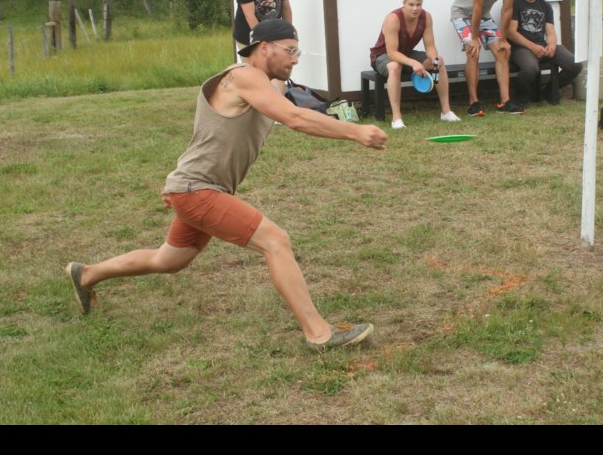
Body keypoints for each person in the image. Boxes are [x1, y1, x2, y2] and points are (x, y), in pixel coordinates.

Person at [65, 19, 388, 351]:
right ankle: (319, 333)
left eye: (298, 52)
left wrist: (176, 182)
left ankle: (86, 274)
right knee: (275, 241)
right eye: (290, 51)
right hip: (199, 189)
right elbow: (294, 118)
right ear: (265, 48)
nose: (295, 59)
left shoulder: (268, 84)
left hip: (196, 187)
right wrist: (355, 131)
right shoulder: (243, 77)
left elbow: (215, 135)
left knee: (169, 260)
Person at [370, 0, 462, 129]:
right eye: (411, 4)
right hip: (382, 56)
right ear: (404, 3)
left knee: (439, 63)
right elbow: (392, 53)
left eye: (418, 4)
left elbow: (430, 46)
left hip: (407, 54)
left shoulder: (426, 17)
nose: (415, 8)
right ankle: (396, 119)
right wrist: (413, 63)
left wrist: (434, 58)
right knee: (395, 66)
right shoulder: (393, 18)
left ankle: (446, 111)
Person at [450, 0, 525, 116]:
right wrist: (474, 38)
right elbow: (476, 7)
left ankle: (505, 102)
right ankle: (473, 103)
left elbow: (507, 10)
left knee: (501, 51)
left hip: (482, 14)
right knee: (473, 50)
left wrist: (504, 39)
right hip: (462, 12)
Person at [505, 0, 582, 106]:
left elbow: (550, 31)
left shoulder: (545, 6)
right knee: (530, 69)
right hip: (521, 48)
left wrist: (552, 45)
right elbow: (511, 32)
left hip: (543, 46)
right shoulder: (514, 2)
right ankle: (521, 94)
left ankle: (548, 90)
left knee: (575, 64)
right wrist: (533, 47)